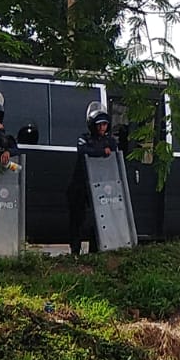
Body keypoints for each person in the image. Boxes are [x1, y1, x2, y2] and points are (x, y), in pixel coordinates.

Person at [66, 101, 118, 255]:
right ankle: (75, 251)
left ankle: (95, 251)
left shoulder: (110, 141)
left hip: (101, 185)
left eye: (105, 125)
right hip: (80, 185)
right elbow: (83, 151)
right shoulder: (84, 138)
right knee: (77, 218)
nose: (102, 128)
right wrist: (102, 151)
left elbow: (114, 153)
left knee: (100, 218)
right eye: (99, 125)